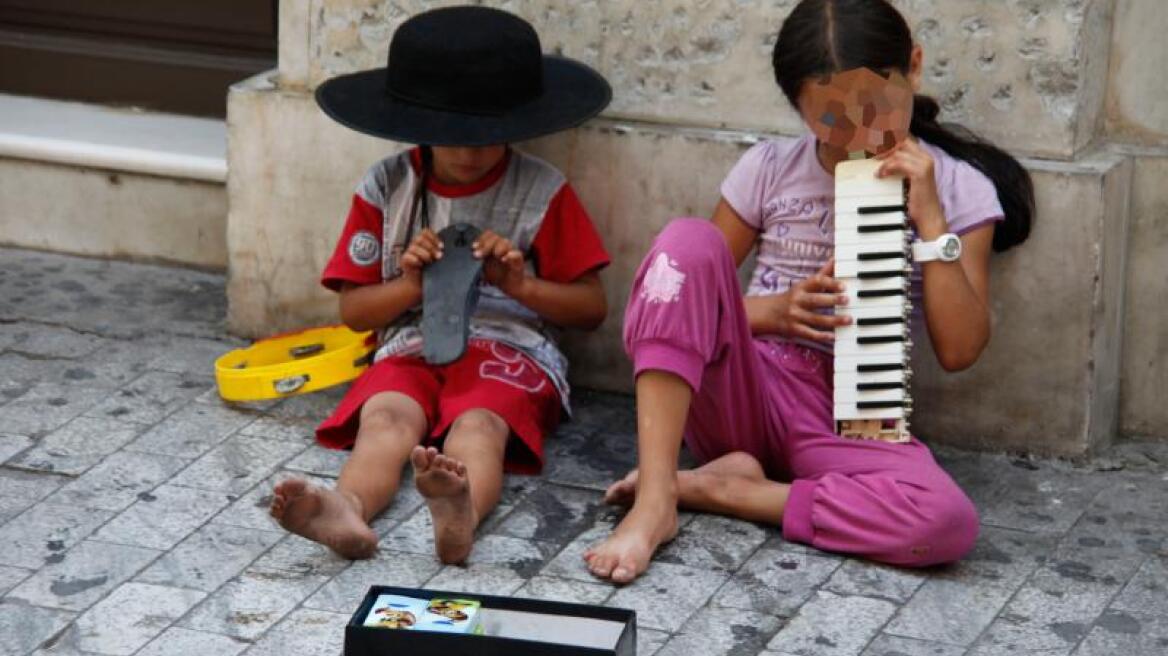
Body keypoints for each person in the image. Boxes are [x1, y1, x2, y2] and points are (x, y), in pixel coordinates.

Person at [585, 0, 1034, 583]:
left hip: (850, 417)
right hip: (747, 388)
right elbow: (681, 299)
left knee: (945, 521)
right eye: (829, 121)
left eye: (876, 109)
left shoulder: (957, 187)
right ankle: (654, 503)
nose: (857, 135)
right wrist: (773, 312)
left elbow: (960, 349)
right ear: (798, 108)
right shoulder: (770, 168)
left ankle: (733, 491)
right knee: (685, 242)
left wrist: (930, 221)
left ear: (914, 68)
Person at [269, 6, 612, 564]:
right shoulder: (386, 186)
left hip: (509, 349)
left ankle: (461, 512)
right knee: (386, 419)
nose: (471, 151)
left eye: (488, 134)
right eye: (452, 135)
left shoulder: (544, 191)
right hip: (410, 344)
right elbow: (355, 311)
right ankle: (347, 506)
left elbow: (592, 307)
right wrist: (409, 285)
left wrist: (521, 283)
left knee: (476, 429)